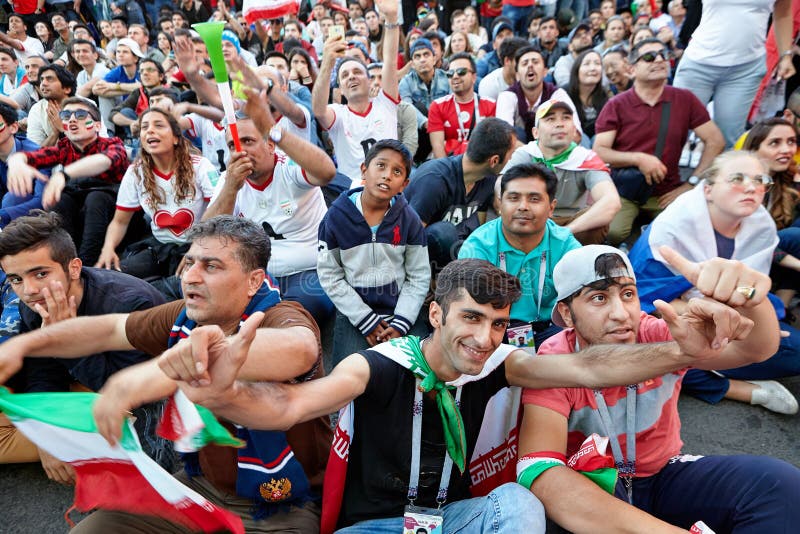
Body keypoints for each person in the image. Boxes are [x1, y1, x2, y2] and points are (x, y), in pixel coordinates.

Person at [157, 250, 775, 534]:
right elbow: (289, 404)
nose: (484, 338)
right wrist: (218, 394)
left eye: (498, 322)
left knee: (522, 506)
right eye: (471, 318)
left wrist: (682, 352)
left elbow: (590, 369)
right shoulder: (376, 366)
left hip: (450, 519)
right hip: (377, 527)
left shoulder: (501, 363)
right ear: (436, 313)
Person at [0, 215, 330, 531]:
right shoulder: (183, 315)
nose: (190, 277)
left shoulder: (282, 316)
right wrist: (28, 343)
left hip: (283, 505)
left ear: (254, 281)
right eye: (189, 263)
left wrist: (151, 376)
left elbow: (298, 348)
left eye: (211, 266)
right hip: (199, 484)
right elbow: (106, 330)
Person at [518, 243, 800, 533]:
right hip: (594, 484)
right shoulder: (554, 360)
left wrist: (748, 297)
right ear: (566, 313)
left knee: (780, 485)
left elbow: (755, 350)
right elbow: (539, 467)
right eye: (599, 298)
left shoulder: (651, 331)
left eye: (628, 294)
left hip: (662, 473)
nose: (620, 313)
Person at [628, 151, 800, 414]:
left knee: (783, 345)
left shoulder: (761, 227)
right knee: (638, 350)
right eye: (737, 178)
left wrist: (756, 318)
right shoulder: (670, 233)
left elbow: (746, 291)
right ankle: (735, 388)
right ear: (708, 190)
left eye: (760, 180)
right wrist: (716, 313)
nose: (752, 187)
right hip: (675, 322)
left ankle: (695, 373)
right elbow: (641, 302)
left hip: (721, 316)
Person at [0, 211, 167, 477]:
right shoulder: (34, 304)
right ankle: (76, 448)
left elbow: (134, 394)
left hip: (139, 395)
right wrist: (47, 434)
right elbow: (43, 372)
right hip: (81, 387)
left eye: (40, 274)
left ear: (74, 268)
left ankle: (91, 455)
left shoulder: (130, 304)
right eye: (16, 279)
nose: (28, 290)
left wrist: (67, 342)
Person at [204, 89, 337, 326]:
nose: (240, 151)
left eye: (248, 141)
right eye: (233, 145)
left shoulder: (289, 166)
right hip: (257, 275)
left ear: (271, 146)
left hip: (310, 272)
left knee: (290, 313)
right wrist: (232, 187)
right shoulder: (229, 180)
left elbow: (326, 172)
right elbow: (206, 235)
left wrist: (274, 130)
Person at [593, 38, 725, 246]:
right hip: (626, 190)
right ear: (631, 68)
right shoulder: (616, 104)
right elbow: (599, 151)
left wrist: (691, 184)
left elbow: (715, 141)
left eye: (663, 55)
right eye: (649, 57)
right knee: (613, 232)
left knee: (690, 231)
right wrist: (639, 159)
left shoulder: (684, 99)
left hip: (667, 191)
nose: (659, 60)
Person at [318, 139, 430, 364]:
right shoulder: (335, 218)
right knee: (349, 374)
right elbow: (330, 276)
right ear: (364, 170)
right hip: (356, 314)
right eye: (381, 166)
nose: (387, 175)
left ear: (404, 184)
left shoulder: (409, 220)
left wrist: (401, 323)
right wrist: (365, 320)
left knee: (423, 368)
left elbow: (418, 275)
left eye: (396, 171)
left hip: (401, 310)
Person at [459, 163, 581, 349]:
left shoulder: (565, 246)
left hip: (550, 330)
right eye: (514, 198)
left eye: (534, 199)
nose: (523, 207)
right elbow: (469, 312)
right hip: (493, 330)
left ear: (551, 208)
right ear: (499, 204)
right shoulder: (478, 247)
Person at [96, 108, 217, 281]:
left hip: (199, 245)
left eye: (159, 125)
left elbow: (220, 211)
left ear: (176, 138)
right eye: (144, 127)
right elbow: (120, 221)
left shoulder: (201, 166)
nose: (150, 130)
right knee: (113, 277)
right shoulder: (135, 172)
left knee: (187, 284)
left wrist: (197, 248)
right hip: (159, 248)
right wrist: (108, 248)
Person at [6, 97, 129, 266]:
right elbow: (31, 156)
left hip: (117, 221)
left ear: (97, 125)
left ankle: (87, 266)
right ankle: (66, 262)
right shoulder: (65, 147)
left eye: (80, 115)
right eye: (65, 115)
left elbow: (105, 160)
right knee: (60, 200)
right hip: (80, 216)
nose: (71, 119)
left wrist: (64, 175)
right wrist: (16, 162)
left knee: (97, 198)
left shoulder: (113, 144)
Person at [673, 0, 795, 148]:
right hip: (699, 63)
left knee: (729, 138)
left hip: (746, 69)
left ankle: (716, 171)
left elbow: (783, 14)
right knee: (677, 130)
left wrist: (785, 55)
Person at [502, 98, 620, 245]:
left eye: (566, 118)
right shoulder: (526, 154)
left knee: (597, 222)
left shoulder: (584, 158)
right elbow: (499, 188)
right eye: (550, 119)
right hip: (533, 218)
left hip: (572, 226)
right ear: (535, 132)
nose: (559, 124)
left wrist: (567, 230)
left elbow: (611, 201)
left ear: (575, 130)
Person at [405, 117, 516, 271]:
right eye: (511, 154)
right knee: (444, 232)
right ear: (494, 160)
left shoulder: (487, 179)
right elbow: (408, 238)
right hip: (424, 254)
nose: (511, 159)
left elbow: (480, 231)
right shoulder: (434, 180)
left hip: (460, 253)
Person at [313, 0, 400, 185]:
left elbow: (391, 61)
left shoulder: (385, 103)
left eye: (358, 72)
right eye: (345, 75)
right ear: (341, 88)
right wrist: (328, 62)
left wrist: (391, 18)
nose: (351, 77)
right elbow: (319, 111)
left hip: (390, 189)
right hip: (352, 196)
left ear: (370, 81)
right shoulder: (339, 113)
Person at [741, 118, 800, 312]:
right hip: (738, 264)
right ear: (755, 149)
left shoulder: (786, 180)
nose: (787, 149)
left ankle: (782, 306)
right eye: (775, 143)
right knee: (793, 237)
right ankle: (777, 309)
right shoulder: (741, 184)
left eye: (791, 142)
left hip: (768, 264)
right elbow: (754, 242)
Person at [496, 46, 578, 144]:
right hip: (519, 152)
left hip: (553, 148)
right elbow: (503, 136)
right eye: (525, 63)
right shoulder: (507, 96)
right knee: (517, 133)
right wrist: (534, 156)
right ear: (517, 75)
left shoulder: (557, 94)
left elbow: (576, 134)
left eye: (535, 62)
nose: (530, 65)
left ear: (545, 72)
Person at [428, 53, 496, 158]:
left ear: (474, 77)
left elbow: (492, 146)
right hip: (449, 166)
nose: (455, 76)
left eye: (461, 72)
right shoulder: (437, 106)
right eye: (450, 73)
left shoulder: (490, 105)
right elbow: (438, 150)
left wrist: (454, 145)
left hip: (481, 165)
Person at [0, 103, 44, 228]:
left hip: (37, 220)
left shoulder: (37, 155)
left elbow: (43, 200)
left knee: (13, 197)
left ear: (13, 127)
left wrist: (3, 214)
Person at [564, 49, 611, 141]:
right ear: (577, 70)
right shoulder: (564, 94)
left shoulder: (604, 95)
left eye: (597, 64)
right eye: (586, 64)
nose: (593, 68)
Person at [25, 63, 74, 147]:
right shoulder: (36, 109)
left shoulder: (86, 105)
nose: (43, 83)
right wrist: (54, 134)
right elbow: (35, 152)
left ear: (67, 89)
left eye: (50, 79)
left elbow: (95, 144)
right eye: (42, 79)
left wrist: (63, 129)